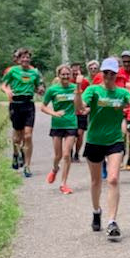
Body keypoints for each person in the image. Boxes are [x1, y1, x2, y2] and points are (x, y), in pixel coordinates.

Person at [75, 57, 130, 241]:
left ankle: (112, 222)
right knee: (95, 182)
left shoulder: (122, 92)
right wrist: (78, 89)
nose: (109, 76)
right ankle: (96, 211)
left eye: (112, 73)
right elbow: (80, 108)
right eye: (106, 73)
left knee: (114, 179)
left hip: (115, 140)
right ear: (102, 74)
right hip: (94, 141)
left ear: (116, 75)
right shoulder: (93, 90)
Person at [0, 48, 45, 178]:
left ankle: (27, 166)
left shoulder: (34, 72)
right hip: (16, 104)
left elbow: (38, 87)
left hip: (28, 104)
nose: (25, 59)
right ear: (19, 60)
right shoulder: (13, 71)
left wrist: (40, 90)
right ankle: (15, 154)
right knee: (17, 137)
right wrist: (7, 90)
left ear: (30, 59)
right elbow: (3, 85)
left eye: (27, 57)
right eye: (23, 57)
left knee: (28, 136)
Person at [41, 64, 78, 194]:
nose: (65, 76)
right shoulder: (52, 90)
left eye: (68, 74)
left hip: (71, 124)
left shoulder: (75, 88)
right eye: (63, 74)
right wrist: (54, 113)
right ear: (58, 75)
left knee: (67, 154)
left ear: (71, 75)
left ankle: (63, 184)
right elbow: (43, 107)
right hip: (57, 125)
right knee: (58, 155)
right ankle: (55, 169)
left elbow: (81, 105)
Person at [73, 61, 95, 163]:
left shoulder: (85, 82)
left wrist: (88, 109)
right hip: (70, 113)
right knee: (71, 135)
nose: (75, 73)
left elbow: (89, 97)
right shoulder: (67, 81)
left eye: (77, 70)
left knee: (80, 133)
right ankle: (69, 152)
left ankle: (77, 153)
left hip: (81, 112)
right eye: (73, 71)